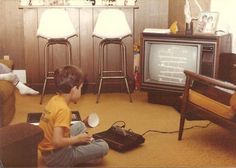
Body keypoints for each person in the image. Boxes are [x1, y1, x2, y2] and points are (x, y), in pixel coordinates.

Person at [38, 65, 109, 167]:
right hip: (58, 157)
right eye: (81, 88)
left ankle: (83, 148)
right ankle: (82, 153)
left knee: (80, 125)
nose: (81, 91)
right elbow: (57, 142)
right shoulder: (64, 110)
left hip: (47, 152)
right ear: (74, 89)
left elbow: (54, 123)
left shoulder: (55, 99)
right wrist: (77, 139)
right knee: (103, 146)